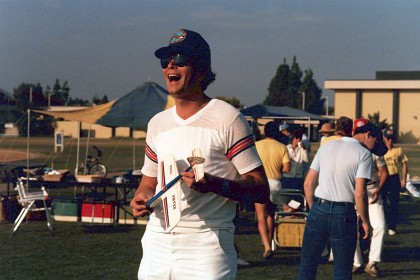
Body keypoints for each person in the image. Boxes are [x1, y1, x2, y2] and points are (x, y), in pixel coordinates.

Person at [130, 29, 270, 280]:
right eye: (166, 60)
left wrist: (214, 184)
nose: (171, 65)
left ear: (202, 70)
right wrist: (142, 197)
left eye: (181, 59)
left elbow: (260, 189)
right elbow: (149, 181)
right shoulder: (157, 123)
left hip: (206, 244)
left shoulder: (227, 118)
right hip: (157, 242)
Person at [298, 121, 386, 280]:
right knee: (342, 270)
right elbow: (359, 194)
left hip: (319, 208)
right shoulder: (364, 154)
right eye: (375, 142)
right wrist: (365, 222)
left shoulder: (325, 147)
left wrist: (314, 209)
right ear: (368, 135)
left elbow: (308, 183)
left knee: (307, 265)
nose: (374, 147)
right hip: (343, 213)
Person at [351, 119, 388, 277]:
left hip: (371, 189)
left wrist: (378, 190)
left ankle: (372, 262)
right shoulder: (352, 149)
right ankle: (356, 262)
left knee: (380, 225)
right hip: (354, 192)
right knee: (352, 228)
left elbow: (384, 172)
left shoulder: (375, 149)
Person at [255, 121, 290, 259]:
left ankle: (267, 246)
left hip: (260, 182)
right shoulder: (282, 147)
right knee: (271, 214)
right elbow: (287, 168)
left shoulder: (257, 145)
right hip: (275, 183)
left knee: (261, 217)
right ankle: (270, 244)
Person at [381, 128, 408, 236]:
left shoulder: (398, 150)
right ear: (383, 138)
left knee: (394, 203)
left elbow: (404, 164)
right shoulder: (380, 150)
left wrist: (404, 179)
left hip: (394, 178)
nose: (390, 141)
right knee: (382, 202)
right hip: (383, 179)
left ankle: (392, 226)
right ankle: (382, 224)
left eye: (392, 139)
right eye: (388, 138)